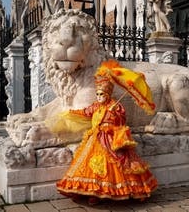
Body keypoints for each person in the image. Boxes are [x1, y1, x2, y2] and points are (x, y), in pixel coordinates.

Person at [50, 66, 158, 205]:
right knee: (88, 165)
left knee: (114, 166)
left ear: (108, 95)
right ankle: (92, 192)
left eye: (102, 94)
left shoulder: (116, 107)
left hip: (111, 140)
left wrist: (115, 114)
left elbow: (122, 123)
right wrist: (70, 112)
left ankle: (116, 191)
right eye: (98, 94)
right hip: (94, 139)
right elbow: (85, 112)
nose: (99, 97)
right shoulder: (95, 106)